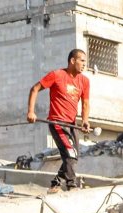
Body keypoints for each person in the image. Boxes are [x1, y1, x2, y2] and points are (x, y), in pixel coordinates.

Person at [27, 50, 91, 192]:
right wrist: (31, 112)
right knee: (70, 154)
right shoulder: (57, 75)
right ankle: (71, 185)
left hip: (72, 124)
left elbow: (85, 103)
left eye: (85, 62)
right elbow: (34, 89)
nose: (84, 64)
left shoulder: (84, 81)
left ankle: (56, 182)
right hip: (57, 122)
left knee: (75, 156)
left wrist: (85, 120)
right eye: (81, 61)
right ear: (72, 61)